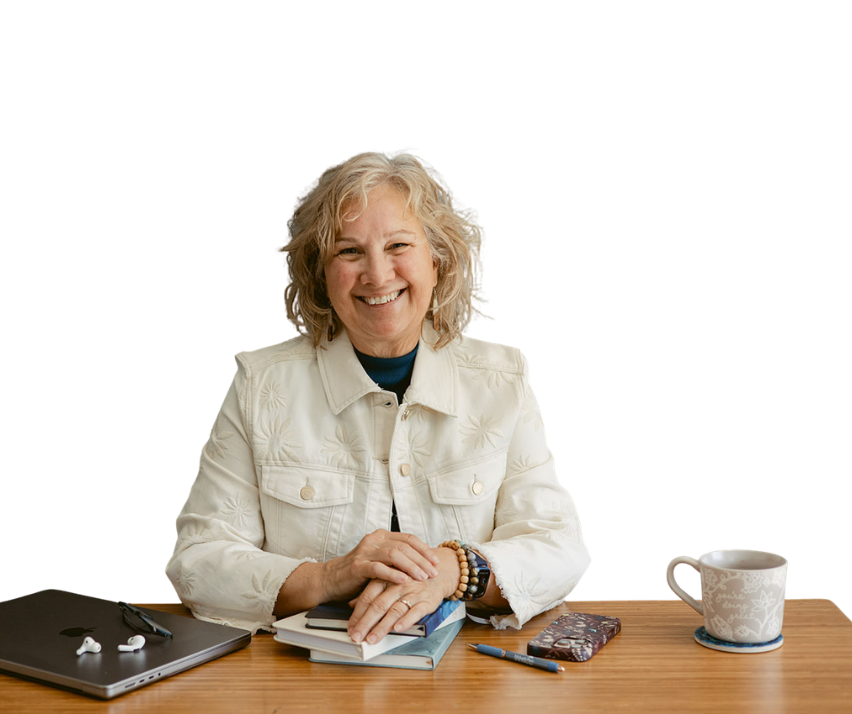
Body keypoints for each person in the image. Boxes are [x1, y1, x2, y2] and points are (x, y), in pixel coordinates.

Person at [165, 147, 591, 641]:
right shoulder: (261, 383)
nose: (377, 275)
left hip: (469, 682)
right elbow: (197, 561)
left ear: (438, 257)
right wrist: (327, 577)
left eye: (398, 246)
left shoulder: (502, 377)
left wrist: (453, 570)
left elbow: (560, 547)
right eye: (349, 251)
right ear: (320, 272)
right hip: (302, 680)